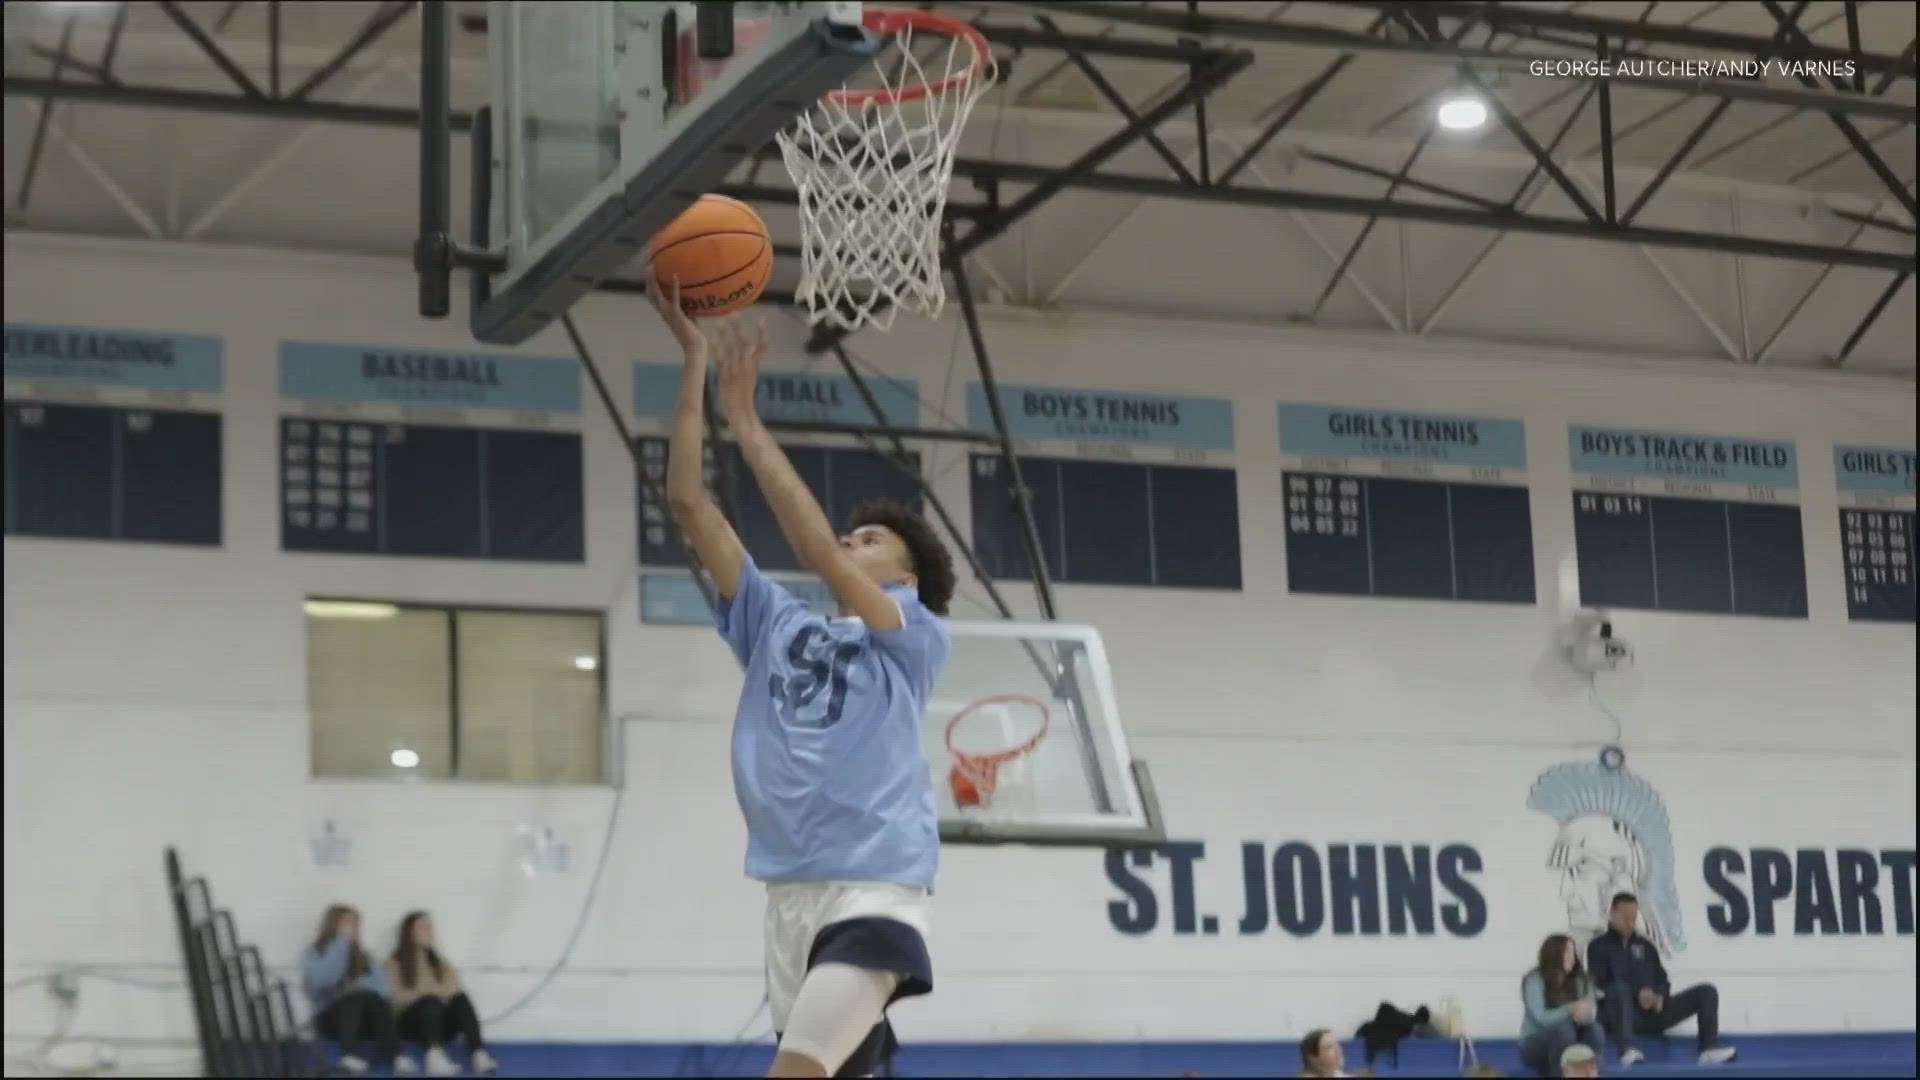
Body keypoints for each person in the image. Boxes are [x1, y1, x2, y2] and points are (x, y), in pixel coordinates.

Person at [652, 278, 957, 1080]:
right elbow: (688, 501)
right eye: (852, 534)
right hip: (787, 895)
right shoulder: (777, 623)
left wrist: (746, 424)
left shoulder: (912, 638)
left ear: (908, 579)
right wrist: (692, 362)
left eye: (870, 539)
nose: (850, 543)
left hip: (873, 891)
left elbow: (818, 549)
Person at [1586, 892, 1737, 1068]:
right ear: (1612, 914)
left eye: (1633, 918)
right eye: (1625, 918)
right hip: (1619, 1017)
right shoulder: (1597, 946)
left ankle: (1708, 1049)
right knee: (1619, 989)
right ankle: (1628, 1049)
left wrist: (1659, 996)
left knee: (1707, 991)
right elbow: (1600, 983)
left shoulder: (1646, 946)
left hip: (1651, 1015)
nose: (1630, 923)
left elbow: (1663, 980)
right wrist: (1638, 994)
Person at [301, 904, 411, 1075]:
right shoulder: (315, 952)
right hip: (330, 1018)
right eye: (346, 922)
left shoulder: (363, 956)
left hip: (364, 1018)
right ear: (332, 924)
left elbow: (382, 989)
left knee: (370, 998)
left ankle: (398, 1056)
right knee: (353, 997)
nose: (352, 927)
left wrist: (359, 987)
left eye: (355, 923)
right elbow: (321, 984)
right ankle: (347, 1055)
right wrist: (341, 945)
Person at [386, 911, 499, 1076]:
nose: (429, 930)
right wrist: (429, 995)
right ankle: (434, 1057)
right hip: (412, 1024)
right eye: (423, 927)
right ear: (409, 933)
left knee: (460, 999)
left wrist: (424, 993)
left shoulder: (440, 963)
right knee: (428, 1002)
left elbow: (454, 989)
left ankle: (478, 1053)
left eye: (430, 926)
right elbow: (395, 997)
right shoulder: (394, 963)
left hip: (440, 1021)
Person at [1520, 934, 1601, 1077]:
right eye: (1568, 952)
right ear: (1554, 954)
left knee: (1594, 1029)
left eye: (1574, 952)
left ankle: (1590, 1073)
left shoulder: (1580, 979)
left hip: (1572, 1035)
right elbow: (1541, 1018)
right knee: (1564, 1031)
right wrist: (1570, 1009)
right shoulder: (1534, 980)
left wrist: (1584, 1014)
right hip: (1536, 1042)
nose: (1573, 957)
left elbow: (1591, 1009)